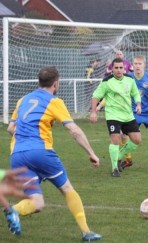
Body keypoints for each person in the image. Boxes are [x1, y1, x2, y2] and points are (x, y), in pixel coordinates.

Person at [6, 66, 102, 241]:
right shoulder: (54, 101)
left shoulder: (22, 100)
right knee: (67, 189)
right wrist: (91, 152)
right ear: (56, 84)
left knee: (38, 203)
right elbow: (74, 131)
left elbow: (11, 128)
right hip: (41, 152)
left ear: (38, 82)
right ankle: (87, 233)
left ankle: (14, 210)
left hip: (17, 155)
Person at [90, 58, 142, 177]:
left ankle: (119, 155)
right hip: (113, 115)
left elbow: (135, 93)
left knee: (137, 140)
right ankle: (115, 168)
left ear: (124, 68)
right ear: (112, 69)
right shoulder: (106, 82)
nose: (119, 70)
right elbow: (96, 96)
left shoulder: (130, 79)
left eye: (121, 68)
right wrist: (93, 112)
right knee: (115, 138)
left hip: (128, 115)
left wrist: (138, 104)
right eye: (116, 68)